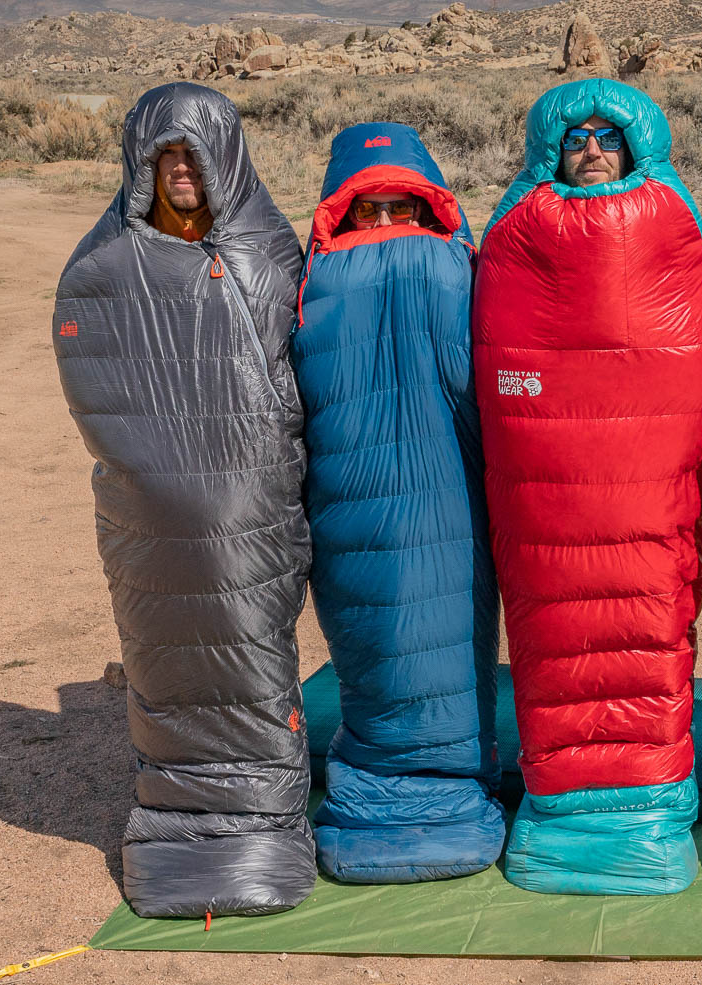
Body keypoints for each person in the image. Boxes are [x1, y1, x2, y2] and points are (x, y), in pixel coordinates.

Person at [52, 82, 315, 919]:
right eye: (163, 153)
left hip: (246, 514)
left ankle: (265, 821)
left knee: (253, 654)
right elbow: (95, 376)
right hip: (153, 520)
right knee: (164, 659)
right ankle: (177, 822)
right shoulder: (103, 266)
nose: (179, 168)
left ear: (223, 158)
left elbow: (299, 372)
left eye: (192, 153)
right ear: (141, 163)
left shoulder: (265, 256)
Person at [472, 79, 702, 896]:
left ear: (637, 147)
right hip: (548, 491)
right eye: (575, 139)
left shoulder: (670, 222)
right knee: (554, 628)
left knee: (649, 621)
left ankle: (648, 811)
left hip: (647, 489)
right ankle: (562, 810)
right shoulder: (515, 236)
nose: (592, 151)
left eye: (608, 137)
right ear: (550, 150)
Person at [290, 122, 504, 884]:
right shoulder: (308, 291)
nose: (383, 227)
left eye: (399, 210)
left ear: (429, 211)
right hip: (354, 512)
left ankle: (446, 778)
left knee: (447, 636)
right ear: (337, 217)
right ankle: (393, 774)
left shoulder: (461, 272)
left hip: (451, 508)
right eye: (366, 212)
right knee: (378, 644)